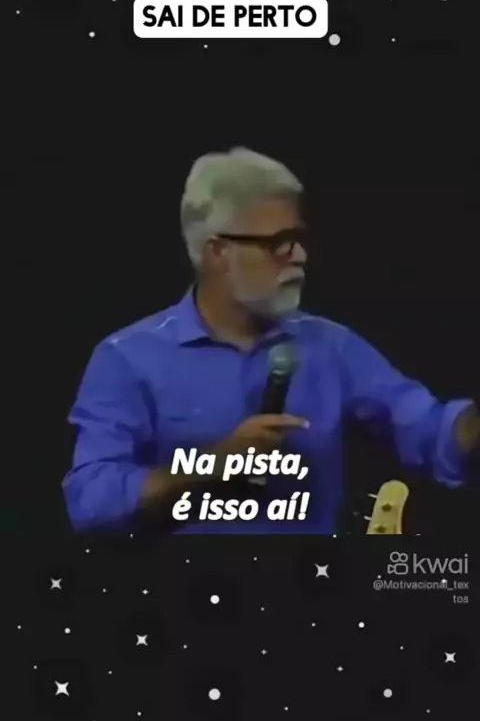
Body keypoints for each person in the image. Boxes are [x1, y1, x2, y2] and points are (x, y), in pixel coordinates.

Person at [62, 146, 480, 534]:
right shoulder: (127, 359)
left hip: (313, 582)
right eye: (279, 243)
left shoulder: (330, 346)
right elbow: (90, 499)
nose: (299, 256)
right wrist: (208, 466)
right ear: (217, 252)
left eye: (299, 240)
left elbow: (430, 432)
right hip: (181, 583)